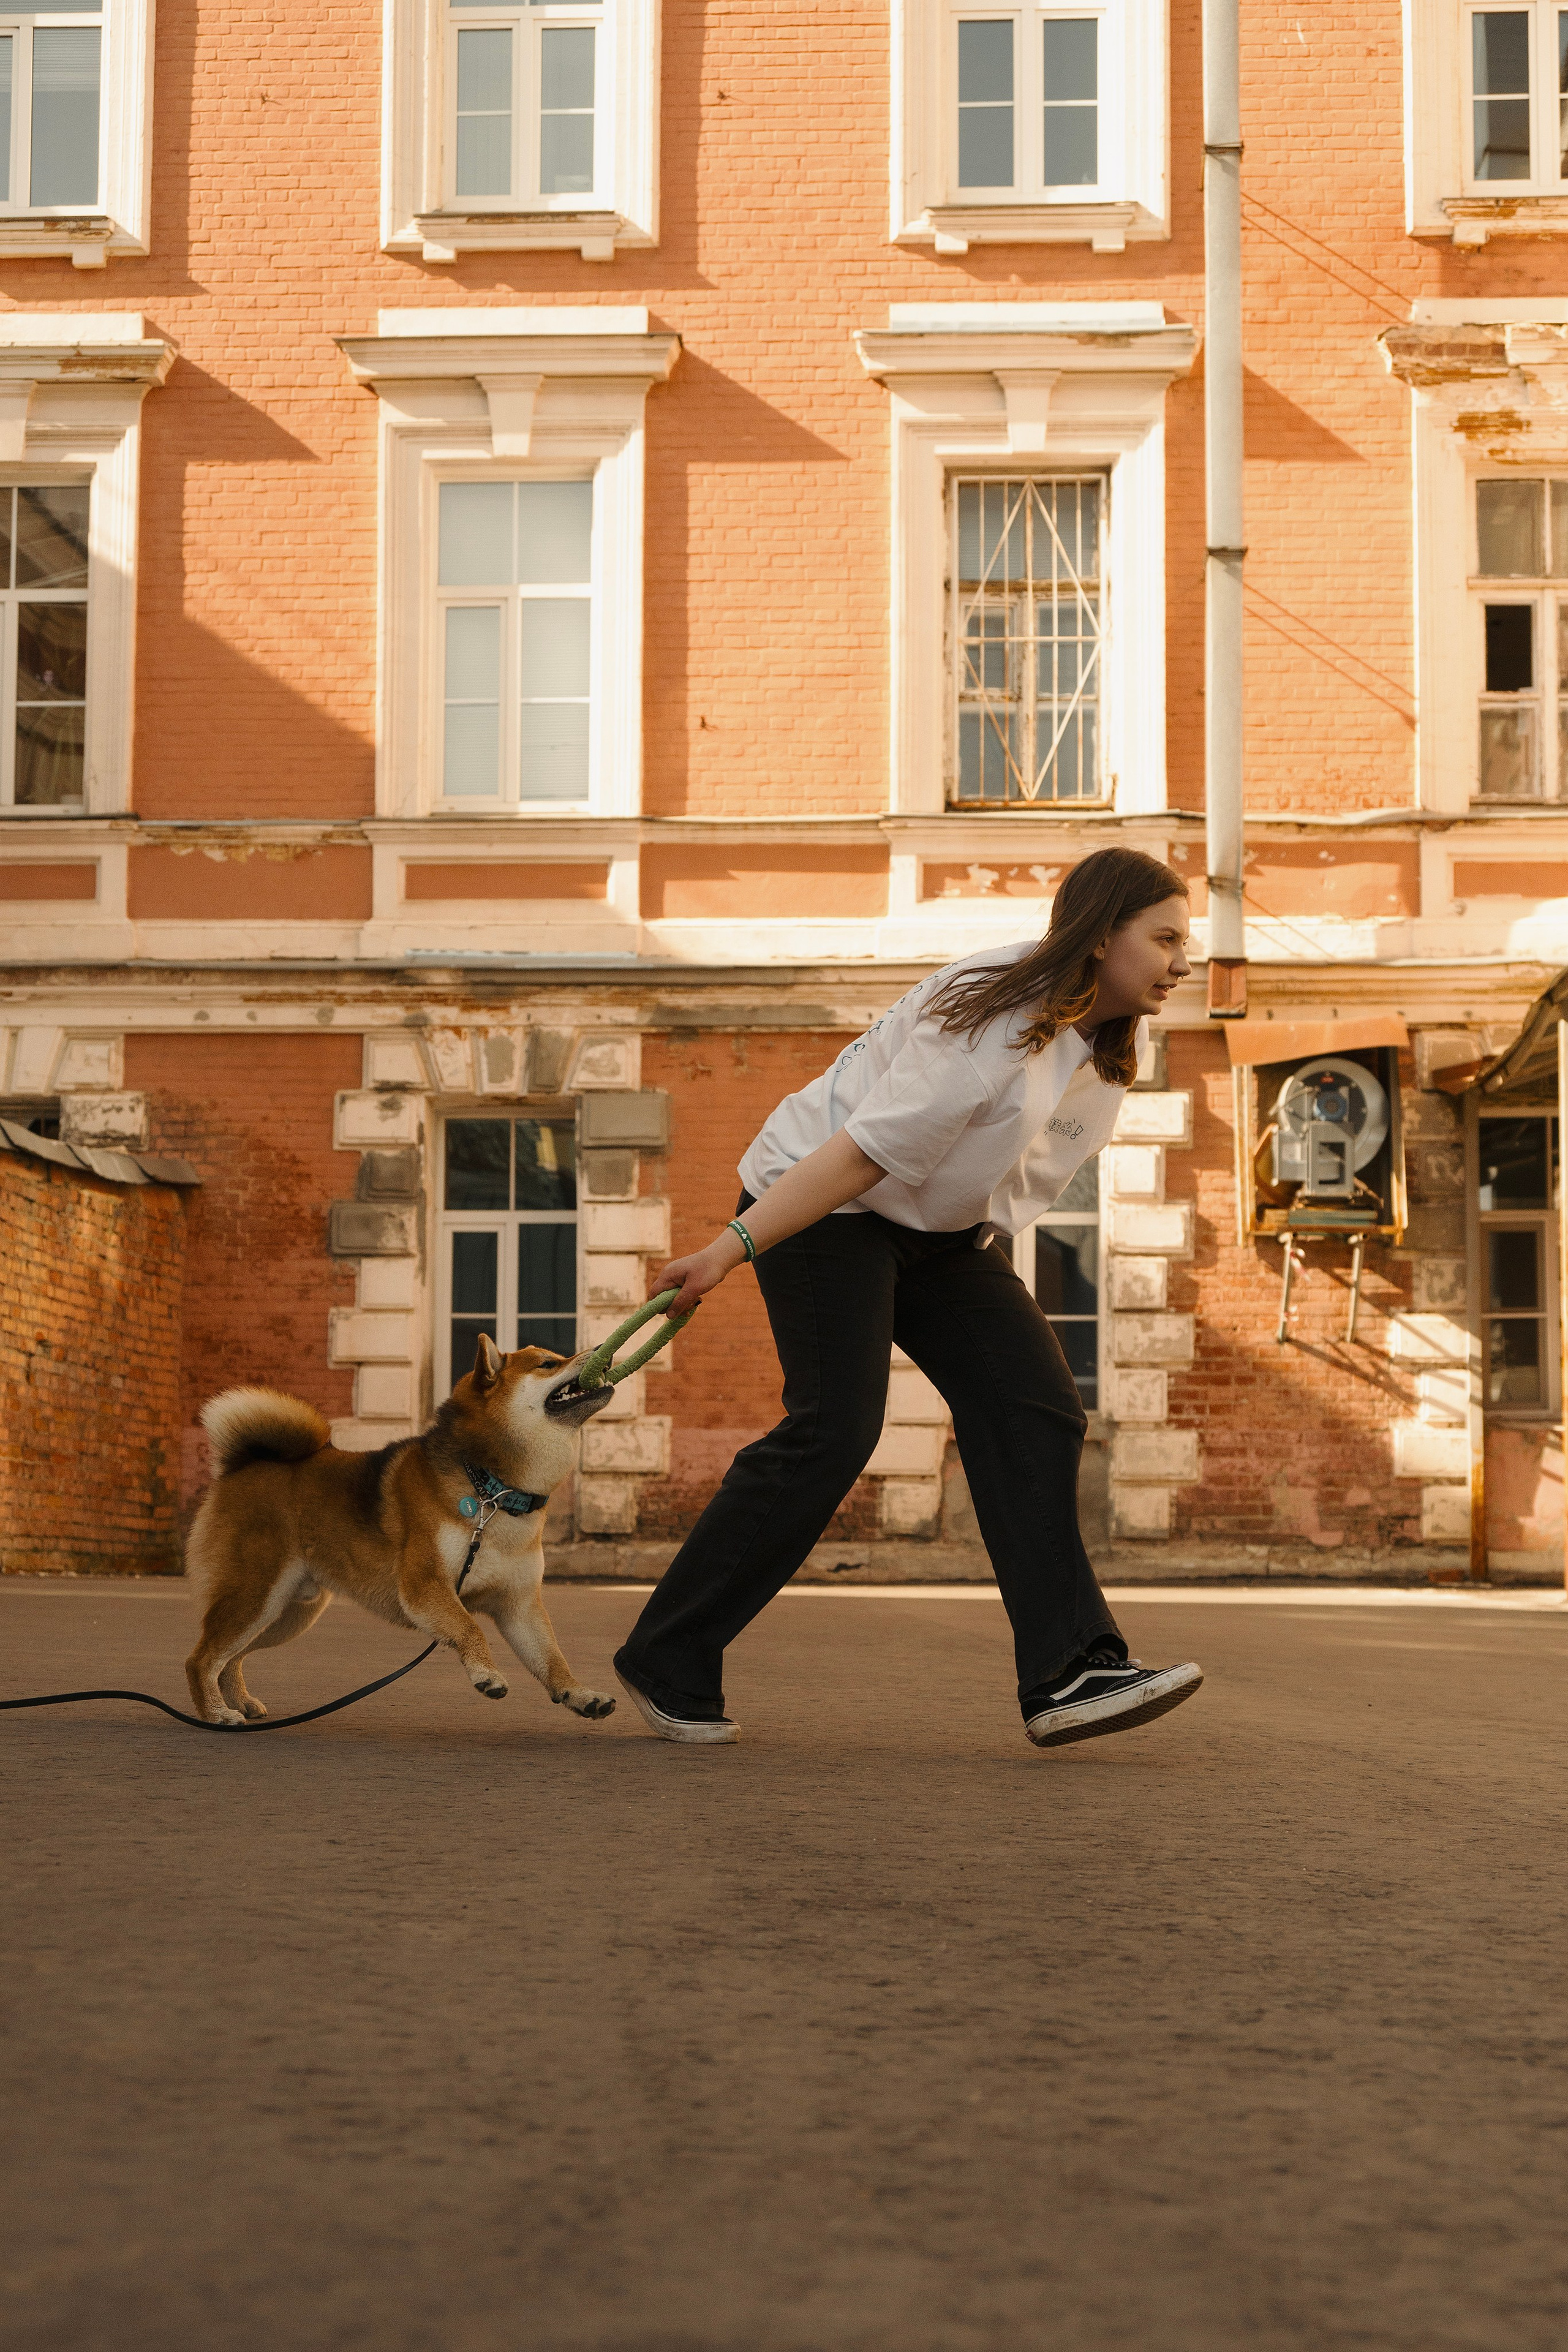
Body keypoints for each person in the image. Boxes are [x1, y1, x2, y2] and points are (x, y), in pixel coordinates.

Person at [612, 846, 1204, 1749]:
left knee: (1033, 1404)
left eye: (1184, 942)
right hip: (826, 1201)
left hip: (939, 1235)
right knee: (835, 1428)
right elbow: (862, 1154)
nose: (1183, 960)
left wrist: (987, 1316)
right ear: (1100, 935)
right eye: (1164, 936)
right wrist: (725, 1252)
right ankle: (668, 1654)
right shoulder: (1002, 1008)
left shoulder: (1105, 1049)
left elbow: (1007, 1187)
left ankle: (1068, 1670)